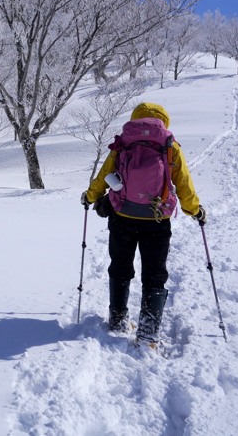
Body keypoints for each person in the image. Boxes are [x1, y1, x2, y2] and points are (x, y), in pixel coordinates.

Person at [81, 102, 206, 346]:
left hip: (122, 216)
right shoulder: (170, 147)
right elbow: (183, 184)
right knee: (155, 273)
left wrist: (90, 196)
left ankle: (117, 320)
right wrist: (195, 210)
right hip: (157, 220)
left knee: (120, 266)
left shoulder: (123, 144)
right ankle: (148, 333)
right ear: (164, 121)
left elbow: (103, 175)